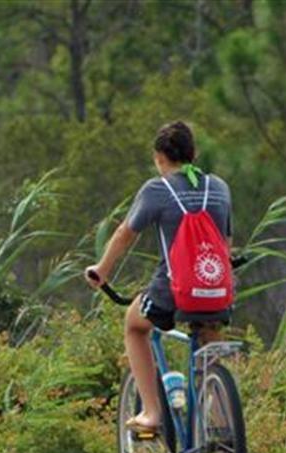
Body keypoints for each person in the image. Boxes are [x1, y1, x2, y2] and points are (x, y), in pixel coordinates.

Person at [85, 121, 234, 434]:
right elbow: (226, 243)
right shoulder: (219, 187)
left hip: (174, 291)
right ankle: (224, 430)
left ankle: (152, 413)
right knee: (209, 341)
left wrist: (102, 270)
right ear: (194, 153)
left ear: (159, 158)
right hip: (218, 289)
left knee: (134, 325)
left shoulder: (157, 189)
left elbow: (125, 233)